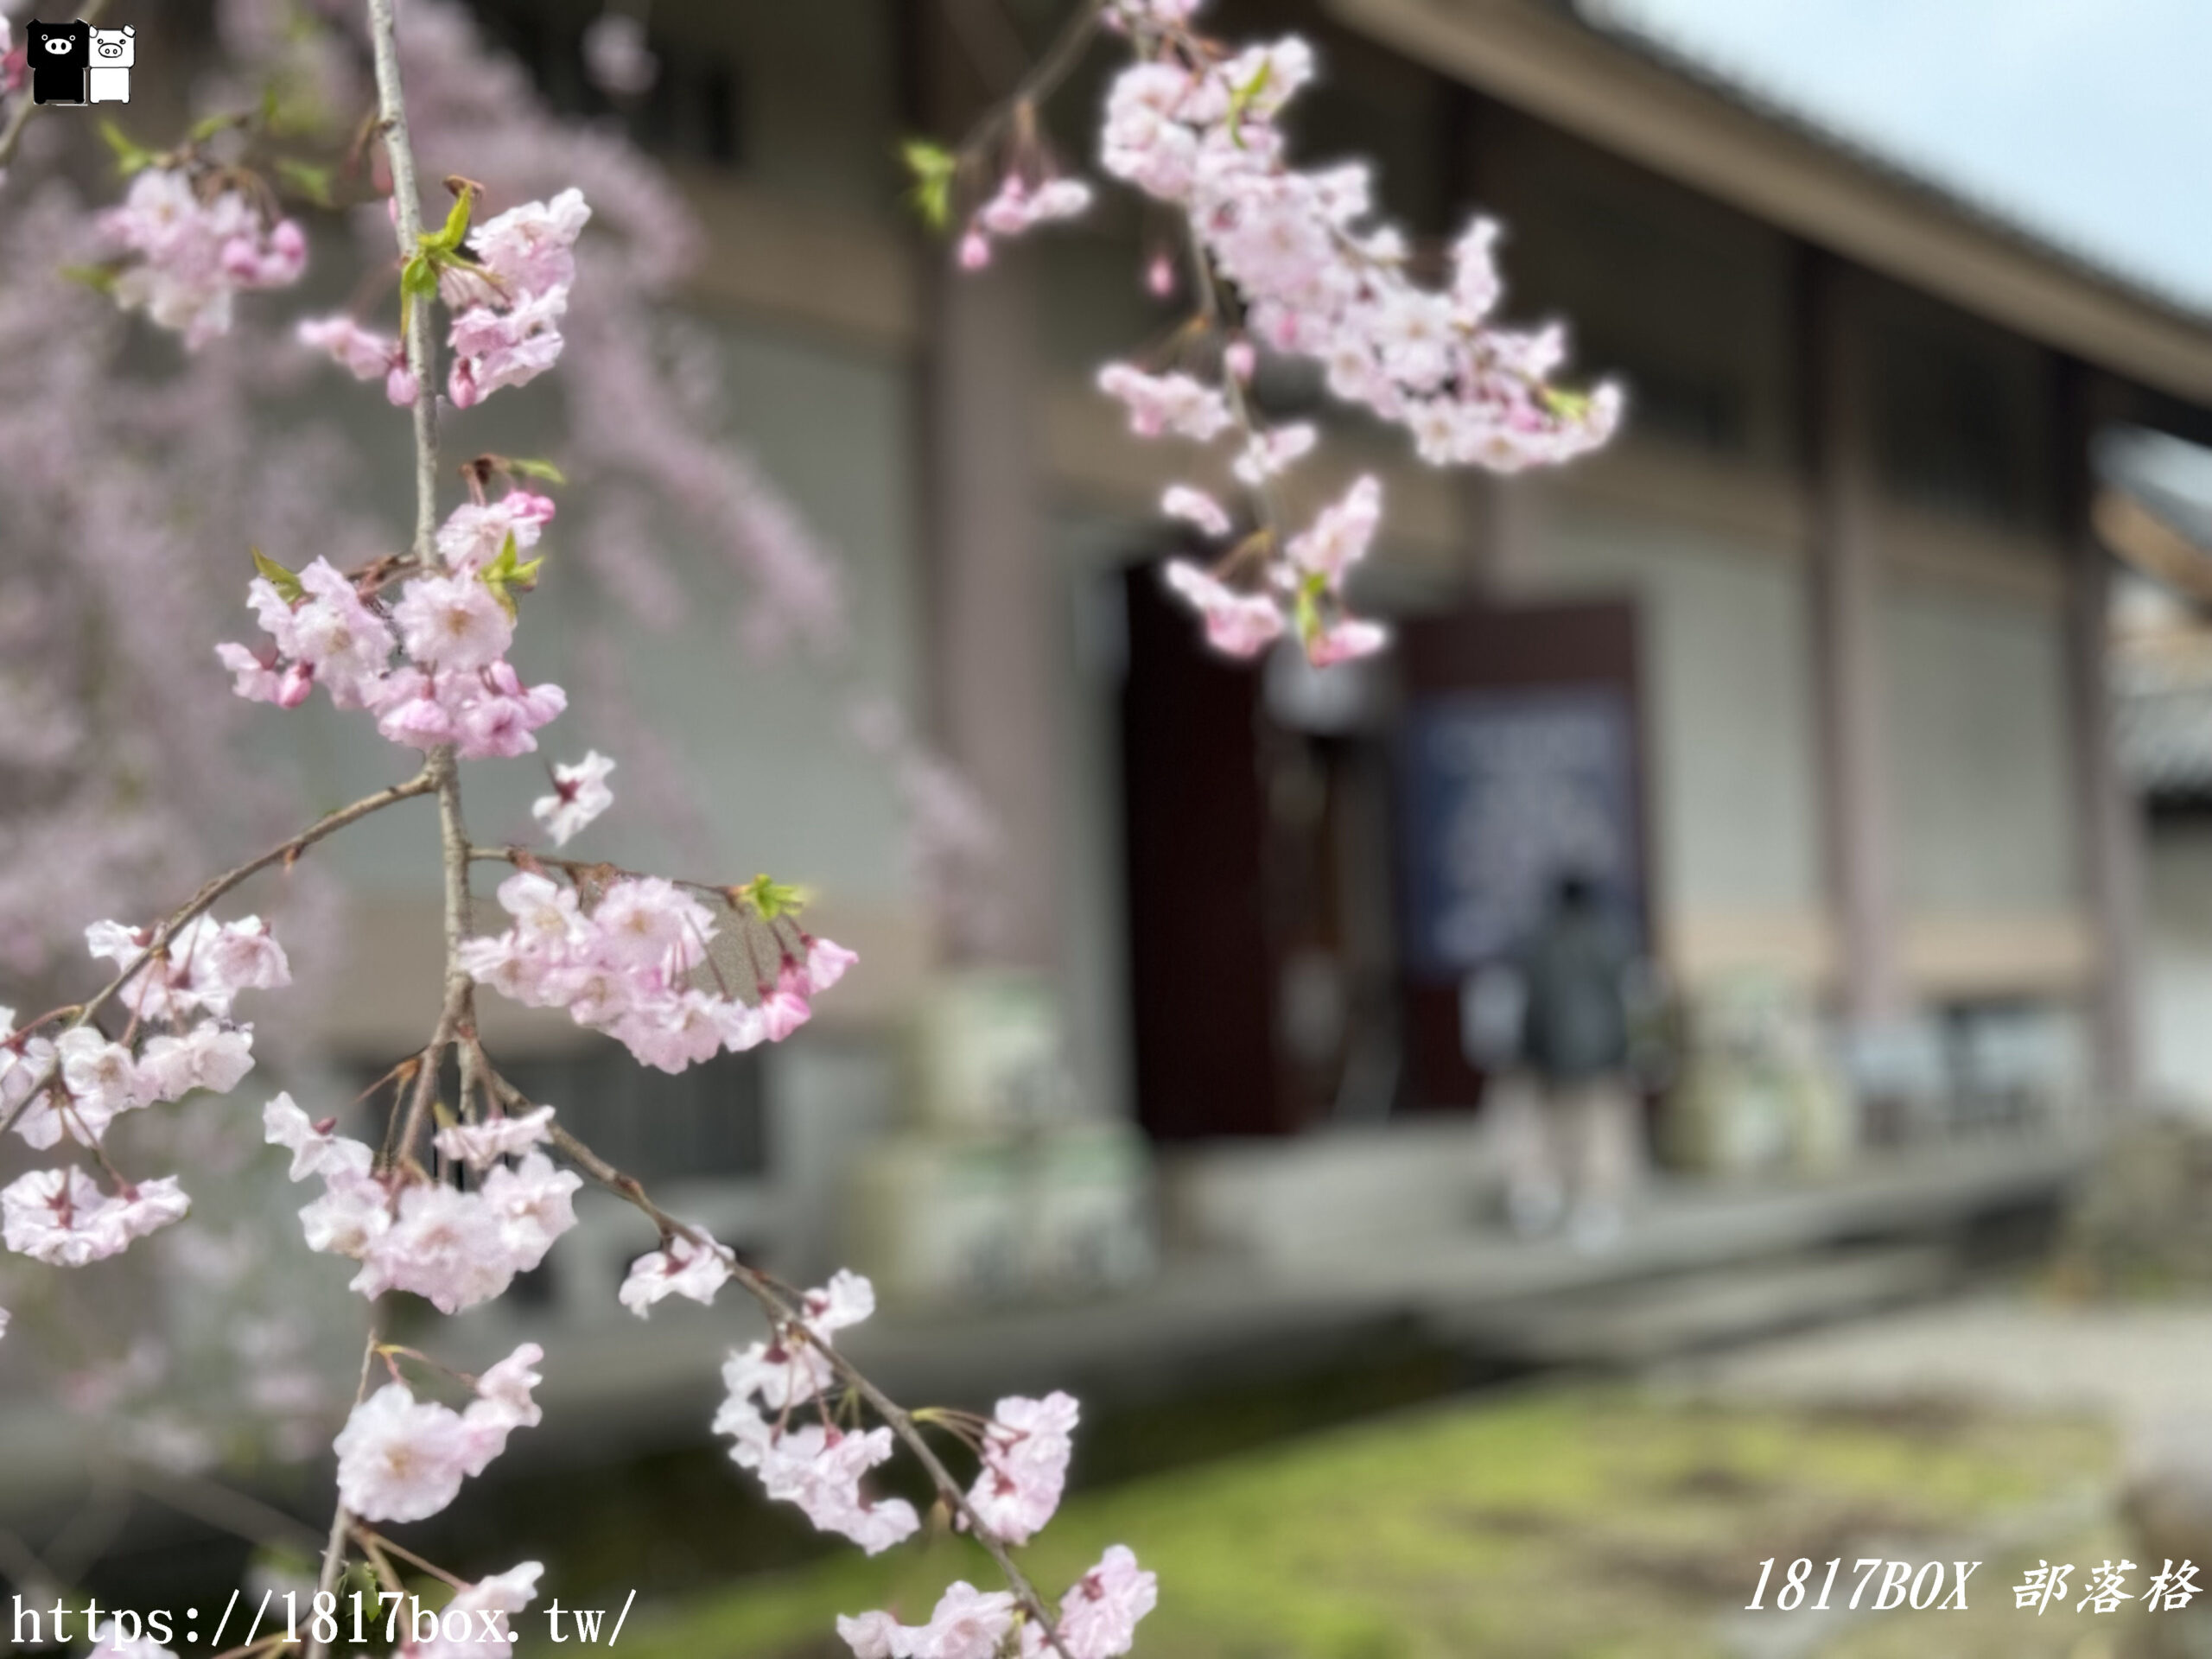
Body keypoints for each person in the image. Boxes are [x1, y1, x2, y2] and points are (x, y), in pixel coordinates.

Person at [1505, 870, 1642, 1252]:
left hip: (1553, 1051)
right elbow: (1628, 996)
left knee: (1553, 1127)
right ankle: (1596, 1207)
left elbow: (1533, 1002)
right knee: (1601, 1127)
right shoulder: (1611, 938)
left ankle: (1545, 1200)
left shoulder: (1543, 941)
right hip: (1603, 1051)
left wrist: (1529, 1051)